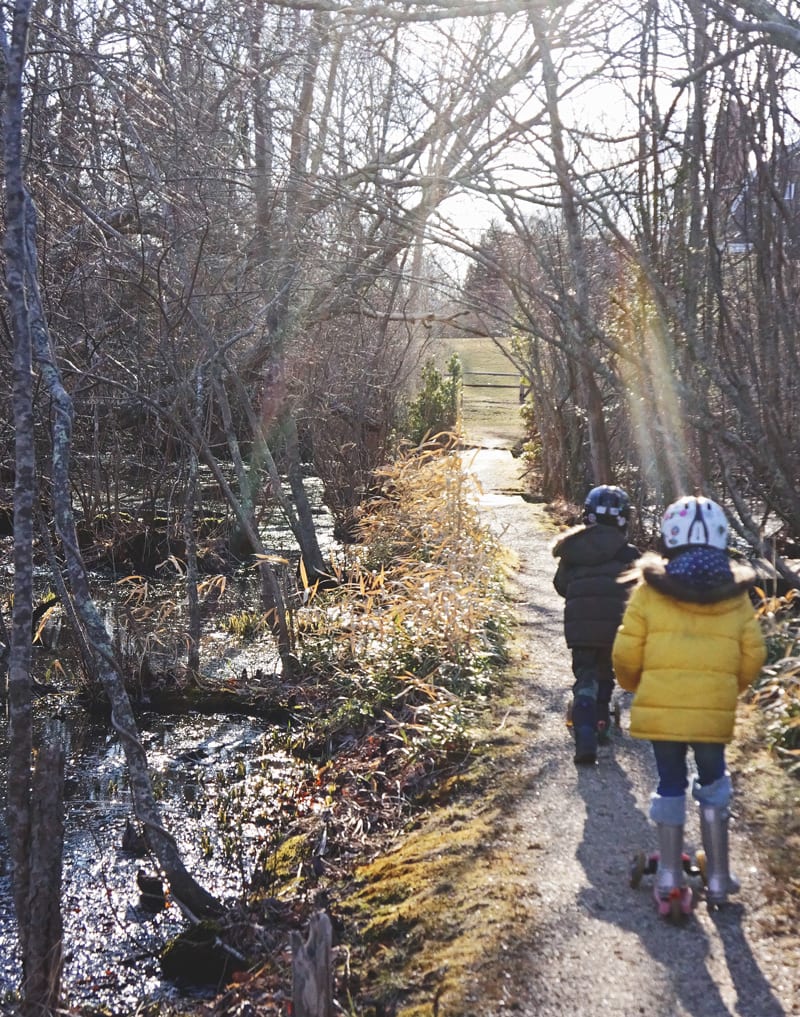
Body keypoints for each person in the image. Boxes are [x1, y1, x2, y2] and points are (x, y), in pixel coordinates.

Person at [612, 495, 766, 906]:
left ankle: (666, 876)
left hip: (662, 709)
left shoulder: (650, 591)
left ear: (670, 537)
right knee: (715, 782)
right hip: (712, 713)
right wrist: (727, 691)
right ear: (720, 538)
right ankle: (717, 879)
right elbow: (755, 654)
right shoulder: (735, 596)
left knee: (669, 783)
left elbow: (626, 652)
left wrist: (633, 684)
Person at [552, 484, 640, 765]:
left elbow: (561, 585)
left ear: (587, 516)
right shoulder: (629, 554)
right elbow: (641, 591)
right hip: (616, 626)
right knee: (606, 673)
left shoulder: (573, 550)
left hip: (580, 629)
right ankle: (602, 721)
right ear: (624, 519)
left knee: (585, 675)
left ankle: (585, 730)